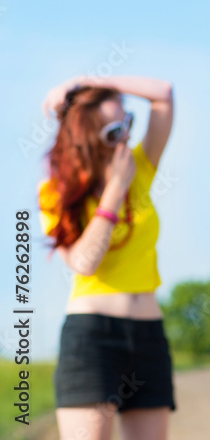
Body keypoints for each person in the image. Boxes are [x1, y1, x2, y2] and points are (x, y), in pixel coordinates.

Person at [38, 75, 175, 440]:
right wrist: (114, 191)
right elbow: (84, 261)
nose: (127, 137)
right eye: (115, 131)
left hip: (149, 335)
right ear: (85, 137)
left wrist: (82, 82)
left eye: (128, 123)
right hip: (92, 338)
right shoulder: (57, 194)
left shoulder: (142, 168)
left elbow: (164, 95)